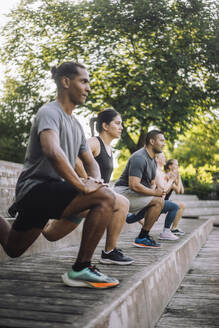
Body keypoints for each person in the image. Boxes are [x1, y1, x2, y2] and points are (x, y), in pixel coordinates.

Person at [0, 61, 120, 289]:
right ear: (66, 82)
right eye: (83, 81)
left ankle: (81, 266)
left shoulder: (76, 125)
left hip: (50, 192)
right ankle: (81, 268)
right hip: (35, 189)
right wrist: (82, 186)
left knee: (12, 249)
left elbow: (90, 161)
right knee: (105, 198)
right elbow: (52, 151)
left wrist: (95, 180)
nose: (88, 88)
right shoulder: (49, 112)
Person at [46, 108, 134, 265]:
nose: (121, 127)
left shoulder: (109, 149)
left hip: (92, 199)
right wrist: (88, 180)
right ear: (105, 126)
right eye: (118, 123)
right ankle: (109, 252)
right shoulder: (94, 142)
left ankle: (32, 212)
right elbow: (72, 156)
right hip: (81, 195)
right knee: (122, 203)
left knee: (50, 234)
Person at [114, 130, 166, 248]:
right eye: (161, 140)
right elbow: (134, 185)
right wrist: (154, 193)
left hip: (133, 193)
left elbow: (151, 183)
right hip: (122, 192)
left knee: (160, 202)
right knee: (159, 202)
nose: (164, 143)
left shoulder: (152, 160)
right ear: (152, 141)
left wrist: (158, 190)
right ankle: (142, 237)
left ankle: (135, 223)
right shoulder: (139, 157)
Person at [164, 158, 186, 235]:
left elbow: (181, 191)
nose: (177, 166)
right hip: (161, 200)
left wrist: (178, 178)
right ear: (170, 166)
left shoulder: (174, 176)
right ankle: (172, 228)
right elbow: (177, 190)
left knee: (182, 205)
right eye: (176, 164)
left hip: (165, 200)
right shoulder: (169, 176)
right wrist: (178, 177)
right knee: (181, 205)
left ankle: (174, 228)